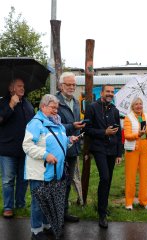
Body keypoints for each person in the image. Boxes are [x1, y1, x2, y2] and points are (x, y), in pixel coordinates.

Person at [22, 94, 79, 240]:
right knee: (38, 203)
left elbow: (60, 143)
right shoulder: (35, 124)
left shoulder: (57, 123)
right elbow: (27, 145)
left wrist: (69, 140)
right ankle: (36, 231)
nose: (56, 111)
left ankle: (47, 226)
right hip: (40, 171)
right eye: (53, 107)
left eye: (57, 108)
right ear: (43, 107)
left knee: (50, 200)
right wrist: (45, 154)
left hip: (55, 171)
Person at [84, 84, 122, 228]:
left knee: (108, 180)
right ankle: (101, 214)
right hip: (99, 148)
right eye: (108, 91)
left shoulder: (115, 110)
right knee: (104, 177)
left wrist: (119, 153)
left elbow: (118, 133)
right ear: (101, 93)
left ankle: (103, 208)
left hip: (112, 150)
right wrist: (103, 133)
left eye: (112, 92)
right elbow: (87, 129)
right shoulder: (92, 107)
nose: (110, 94)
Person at [0, 78, 35, 218]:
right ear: (11, 88)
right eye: (19, 86)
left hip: (25, 149)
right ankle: (8, 207)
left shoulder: (27, 103)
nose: (22, 88)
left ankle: (20, 204)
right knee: (8, 180)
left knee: (23, 179)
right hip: (7, 149)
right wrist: (11, 105)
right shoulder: (3, 102)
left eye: (23, 86)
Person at [56, 72, 85, 222]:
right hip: (58, 149)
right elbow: (53, 125)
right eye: (69, 84)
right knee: (57, 182)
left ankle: (64, 212)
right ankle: (56, 214)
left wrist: (80, 127)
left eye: (74, 84)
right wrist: (71, 126)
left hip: (72, 148)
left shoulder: (76, 101)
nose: (72, 87)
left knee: (67, 182)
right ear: (61, 85)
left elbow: (76, 124)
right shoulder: (54, 101)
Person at [124, 97, 147, 210]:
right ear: (132, 106)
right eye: (136, 104)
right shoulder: (128, 118)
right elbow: (127, 135)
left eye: (140, 104)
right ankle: (129, 202)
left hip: (145, 148)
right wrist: (138, 134)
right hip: (132, 149)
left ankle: (144, 200)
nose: (139, 106)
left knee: (144, 176)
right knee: (131, 176)